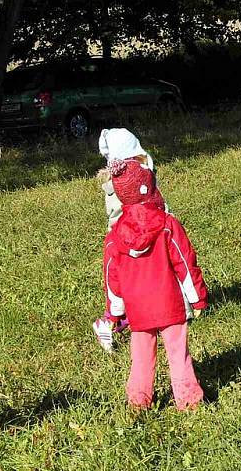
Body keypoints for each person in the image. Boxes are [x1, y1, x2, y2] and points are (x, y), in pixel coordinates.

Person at [104, 158, 207, 410]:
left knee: (140, 356)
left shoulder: (114, 235)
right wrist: (197, 298)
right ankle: (189, 400)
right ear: (148, 188)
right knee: (177, 352)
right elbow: (184, 262)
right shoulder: (167, 225)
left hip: (137, 309)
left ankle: (139, 401)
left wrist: (115, 311)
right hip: (169, 302)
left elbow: (112, 277)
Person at [92, 128, 168, 351]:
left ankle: (147, 319)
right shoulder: (122, 188)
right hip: (126, 247)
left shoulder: (133, 176)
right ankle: (107, 324)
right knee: (125, 293)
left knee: (143, 291)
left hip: (142, 241)